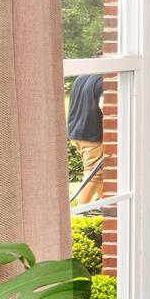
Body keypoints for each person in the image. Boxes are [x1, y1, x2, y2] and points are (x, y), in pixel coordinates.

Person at [68, 73, 106, 205]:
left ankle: (109, 208)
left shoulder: (81, 77)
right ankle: (78, 213)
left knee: (99, 174)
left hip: (75, 132)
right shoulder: (104, 80)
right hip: (91, 135)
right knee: (94, 175)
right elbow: (104, 105)